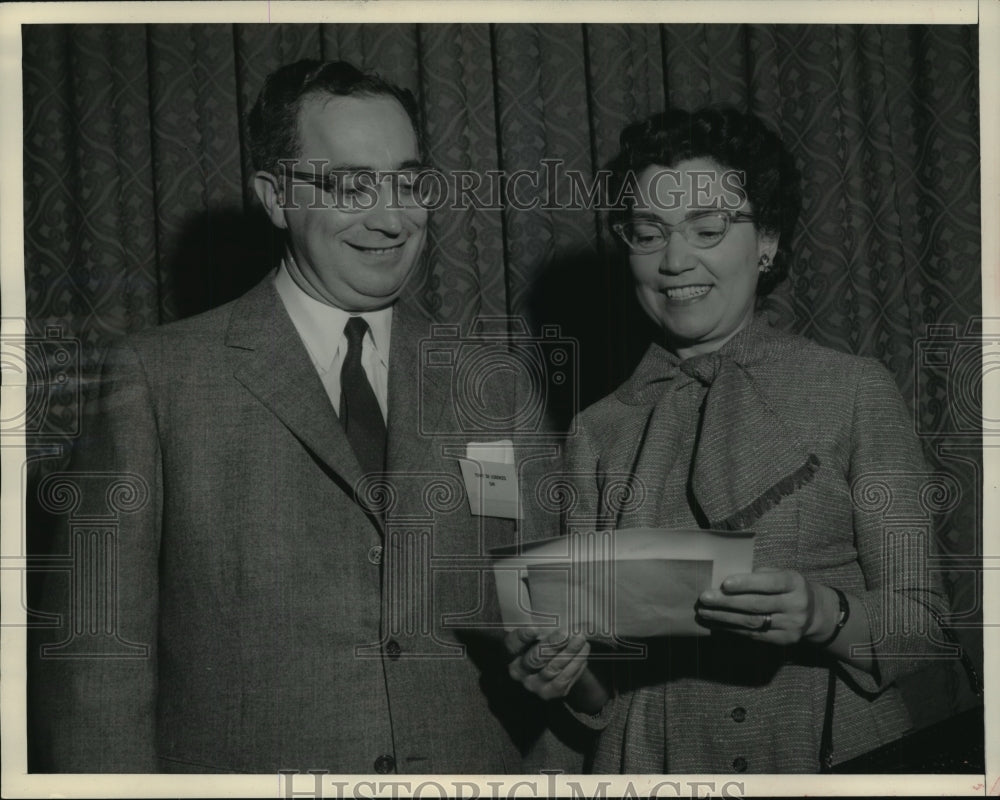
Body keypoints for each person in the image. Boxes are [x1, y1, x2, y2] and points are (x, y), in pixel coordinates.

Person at [31, 59, 548, 774]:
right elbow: (96, 671)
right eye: (348, 185)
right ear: (275, 197)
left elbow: (543, 609)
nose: (391, 216)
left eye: (406, 180)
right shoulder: (156, 379)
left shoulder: (491, 383)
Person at [506, 107, 951, 773]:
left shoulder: (855, 391)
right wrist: (564, 673)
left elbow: (924, 629)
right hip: (652, 765)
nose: (675, 261)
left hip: (820, 759)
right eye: (648, 233)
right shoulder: (597, 430)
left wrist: (822, 614)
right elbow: (599, 686)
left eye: (707, 229)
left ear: (766, 240)